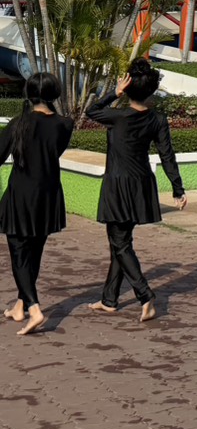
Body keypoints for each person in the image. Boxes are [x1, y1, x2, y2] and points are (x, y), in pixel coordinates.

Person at [86, 60, 186, 322]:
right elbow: (167, 155)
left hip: (118, 185)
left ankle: (145, 295)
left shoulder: (117, 116)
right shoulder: (158, 120)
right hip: (141, 184)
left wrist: (114, 93)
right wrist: (178, 188)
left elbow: (91, 111)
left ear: (129, 88)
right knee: (120, 242)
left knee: (119, 243)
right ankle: (109, 299)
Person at [0, 72, 74, 335]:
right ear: (55, 94)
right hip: (48, 194)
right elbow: (53, 152)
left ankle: (34, 308)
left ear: (29, 94)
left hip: (22, 194)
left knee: (20, 254)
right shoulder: (65, 124)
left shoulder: (19, 123)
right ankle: (20, 306)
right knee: (34, 252)